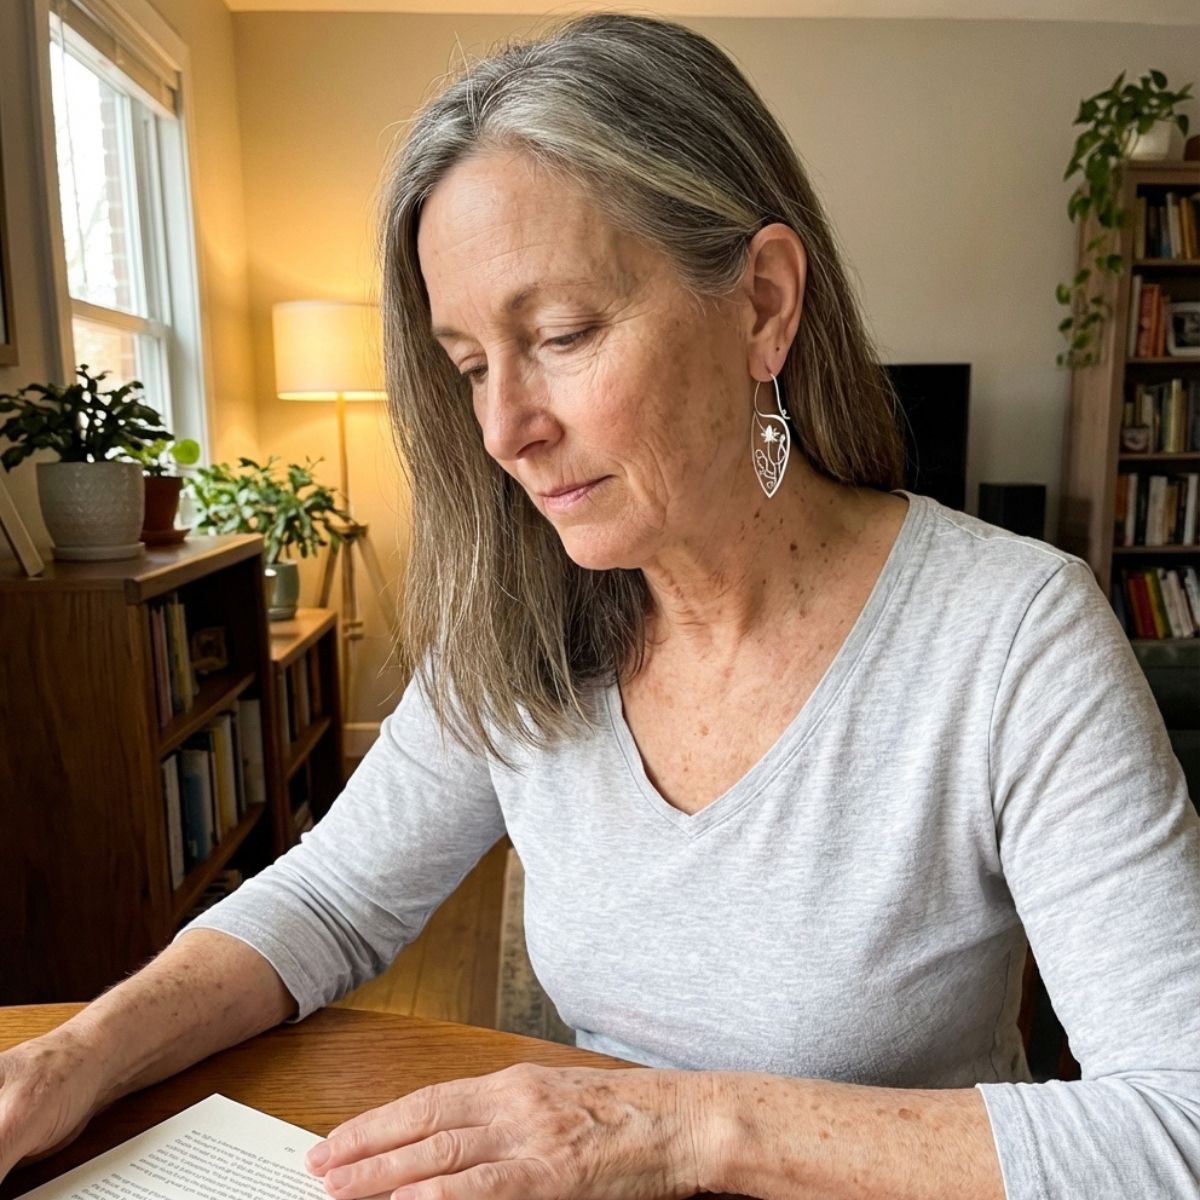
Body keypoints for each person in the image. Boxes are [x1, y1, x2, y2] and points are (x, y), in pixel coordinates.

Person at [3, 12, 1199, 1200]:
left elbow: (1177, 1126)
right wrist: (74, 1058)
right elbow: (329, 900)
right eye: (471, 365)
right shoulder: (523, 625)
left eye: (563, 335)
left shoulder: (1014, 636)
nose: (504, 430)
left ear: (763, 304)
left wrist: (684, 1127)